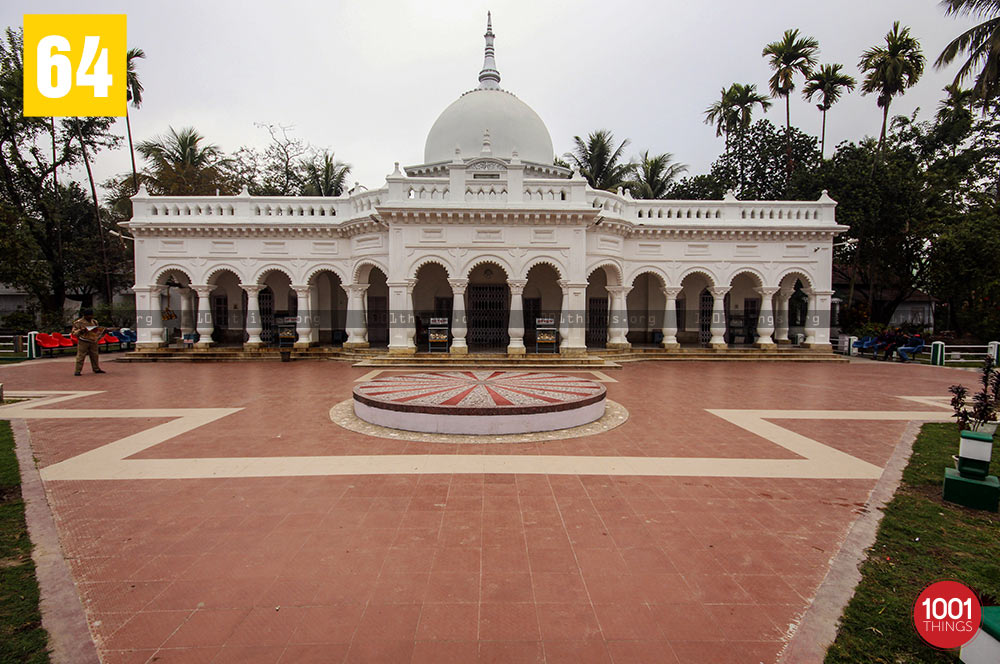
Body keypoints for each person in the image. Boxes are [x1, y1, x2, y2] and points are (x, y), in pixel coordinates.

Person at [71, 308, 106, 376]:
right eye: (88, 316)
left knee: (95, 355)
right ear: (85, 315)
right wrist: (82, 330)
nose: (90, 317)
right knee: (81, 356)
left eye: (91, 315)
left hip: (93, 340)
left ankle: (96, 368)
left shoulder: (94, 322)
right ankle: (78, 370)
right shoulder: (78, 322)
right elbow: (74, 332)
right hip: (83, 340)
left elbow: (97, 330)